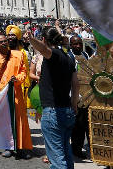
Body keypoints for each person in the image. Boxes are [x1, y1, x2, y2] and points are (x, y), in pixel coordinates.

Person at [25, 27, 77, 169]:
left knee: (57, 158)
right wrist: (74, 105)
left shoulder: (54, 55)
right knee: (66, 153)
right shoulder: (68, 57)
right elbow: (75, 83)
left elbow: (44, 50)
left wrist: (30, 38)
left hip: (54, 111)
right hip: (67, 109)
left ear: (44, 40)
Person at [0, 33, 31, 158]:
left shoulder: (19, 54)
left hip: (15, 92)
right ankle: (8, 146)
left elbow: (23, 72)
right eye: (1, 42)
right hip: (0, 93)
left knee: (19, 119)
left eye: (5, 41)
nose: (4, 43)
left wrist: (16, 79)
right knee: (4, 120)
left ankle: (21, 147)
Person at [68, 35, 90, 159]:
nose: (77, 46)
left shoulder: (85, 55)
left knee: (86, 123)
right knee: (77, 125)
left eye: (79, 43)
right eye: (75, 44)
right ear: (70, 45)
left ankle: (88, 148)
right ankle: (76, 149)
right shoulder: (69, 57)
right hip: (74, 95)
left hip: (86, 94)